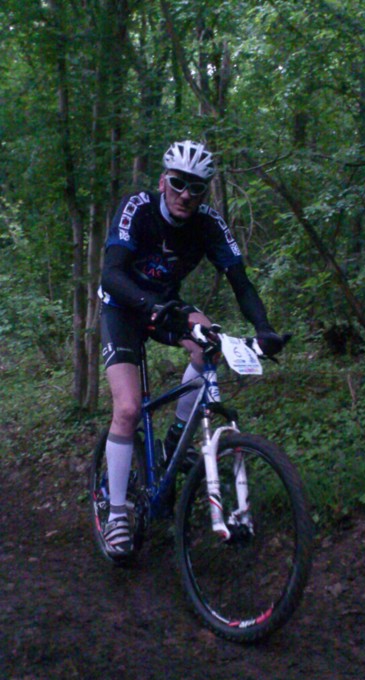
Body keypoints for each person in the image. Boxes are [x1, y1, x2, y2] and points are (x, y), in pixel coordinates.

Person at [99, 139, 283, 556]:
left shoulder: (209, 224)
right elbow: (111, 274)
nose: (185, 194)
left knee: (209, 341)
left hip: (164, 305)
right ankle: (116, 514)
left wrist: (264, 329)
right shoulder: (137, 208)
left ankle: (176, 439)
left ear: (204, 192)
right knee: (127, 409)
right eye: (178, 183)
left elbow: (241, 283)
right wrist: (148, 305)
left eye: (196, 188)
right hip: (123, 306)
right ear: (163, 181)